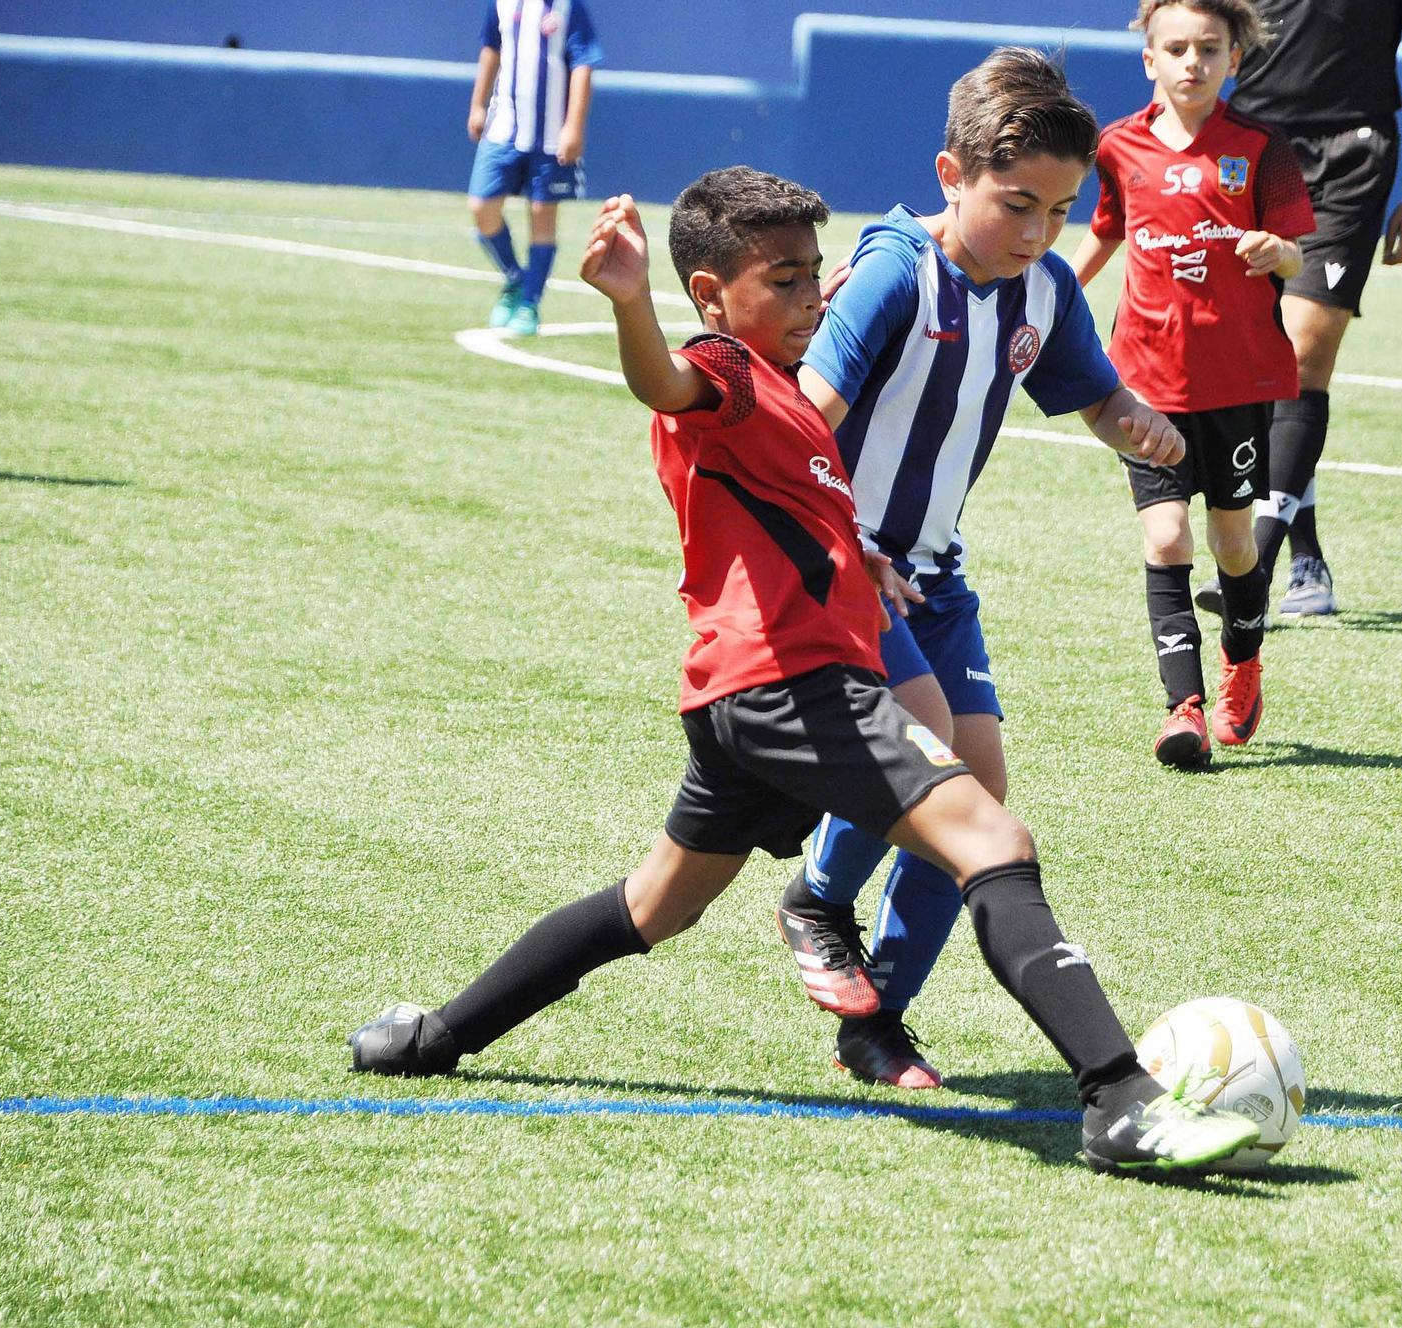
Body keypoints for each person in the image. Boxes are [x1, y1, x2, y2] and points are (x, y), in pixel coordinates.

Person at [347, 169, 1255, 1176]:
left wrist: (853, 555)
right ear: (711, 296)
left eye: (812, 276)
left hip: (743, 694)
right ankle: (1120, 1099)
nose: (810, 299)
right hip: (791, 686)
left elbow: (788, 505)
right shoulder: (722, 369)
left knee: (657, 904)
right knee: (990, 832)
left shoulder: (782, 396)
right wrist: (625, 302)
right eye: (780, 281)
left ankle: (432, 1037)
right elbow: (666, 385)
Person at [773, 48, 1187, 1089]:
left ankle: (876, 1021)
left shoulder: (1041, 289)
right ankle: (817, 897)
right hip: (845, 565)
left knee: (983, 801)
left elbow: (1089, 392)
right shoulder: (892, 274)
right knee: (936, 747)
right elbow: (798, 429)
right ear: (950, 176)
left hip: (934, 577)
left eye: (1059, 208)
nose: (1041, 231)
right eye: (1017, 204)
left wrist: (1134, 423)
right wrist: (848, 546)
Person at [1072, 0, 1317, 768]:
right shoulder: (1118, 146)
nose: (1191, 62)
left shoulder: (1260, 149)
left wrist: (1276, 251)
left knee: (1232, 540)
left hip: (1237, 381)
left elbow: (1298, 260)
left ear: (1234, 60)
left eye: (1208, 49)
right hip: (1144, 378)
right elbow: (1108, 230)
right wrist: (1052, 292)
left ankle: (1243, 661)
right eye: (1175, 48)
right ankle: (1185, 712)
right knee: (1166, 534)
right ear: (1149, 58)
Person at [1201, 0, 1402, 619]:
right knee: (1262, 366)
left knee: (1303, 350)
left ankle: (1253, 565)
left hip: (1352, 153)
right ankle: (1307, 558)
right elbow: (1195, 32)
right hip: (1250, 151)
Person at [466, 0, 603, 337]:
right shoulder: (501, 3)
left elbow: (583, 64)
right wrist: (478, 105)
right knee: (481, 206)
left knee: (542, 214)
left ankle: (529, 303)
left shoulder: (569, 8)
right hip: (504, 129)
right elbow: (491, 48)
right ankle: (515, 276)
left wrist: (573, 126)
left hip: (550, 136)